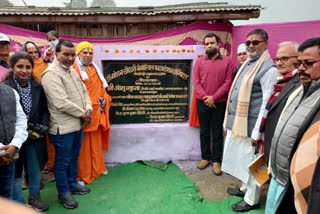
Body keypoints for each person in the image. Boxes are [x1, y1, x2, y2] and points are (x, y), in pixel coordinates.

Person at [222, 28, 278, 212]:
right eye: (248, 43)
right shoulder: (248, 63)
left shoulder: (268, 69)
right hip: (239, 124)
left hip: (253, 127)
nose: (251, 46)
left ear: (266, 44)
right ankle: (245, 189)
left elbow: (266, 102)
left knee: (255, 164)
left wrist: (257, 132)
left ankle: (252, 199)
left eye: (255, 42)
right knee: (242, 161)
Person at [266, 37, 320, 214]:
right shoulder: (299, 88)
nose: (302, 68)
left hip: (296, 185)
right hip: (277, 173)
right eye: (300, 63)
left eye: (309, 63)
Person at [41, 40, 93, 209]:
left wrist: (89, 109)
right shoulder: (51, 74)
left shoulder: (72, 71)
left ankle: (72, 184)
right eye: (66, 54)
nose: (70, 58)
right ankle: (63, 193)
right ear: (56, 54)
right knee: (62, 163)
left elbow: (84, 91)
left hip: (78, 124)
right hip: (62, 128)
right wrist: (83, 113)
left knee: (73, 158)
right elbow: (60, 103)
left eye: (72, 55)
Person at [4, 52, 49, 211]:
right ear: (12, 67)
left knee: (35, 167)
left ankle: (35, 197)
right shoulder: (6, 88)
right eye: (20, 66)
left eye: (28, 67)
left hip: (35, 136)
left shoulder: (38, 87)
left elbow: (44, 109)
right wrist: (24, 130)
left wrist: (43, 126)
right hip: (14, 137)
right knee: (17, 171)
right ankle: (19, 203)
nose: (24, 70)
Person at [192, 33, 235, 175]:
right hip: (202, 102)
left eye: (212, 43)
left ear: (218, 44)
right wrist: (206, 98)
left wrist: (214, 98)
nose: (209, 46)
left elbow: (228, 83)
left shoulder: (228, 62)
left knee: (217, 131)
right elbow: (196, 82)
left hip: (220, 103)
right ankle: (205, 157)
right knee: (204, 131)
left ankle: (216, 160)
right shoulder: (199, 62)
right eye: (207, 44)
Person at [73, 41, 111, 184]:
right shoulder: (74, 70)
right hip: (84, 114)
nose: (88, 55)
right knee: (82, 147)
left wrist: (105, 99)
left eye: (90, 53)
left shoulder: (95, 69)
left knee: (95, 143)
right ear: (79, 54)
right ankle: (83, 174)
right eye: (85, 53)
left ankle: (98, 168)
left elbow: (102, 90)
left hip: (97, 113)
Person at [256, 42, 301, 163]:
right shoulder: (279, 82)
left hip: (286, 150)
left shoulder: (301, 84)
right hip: (272, 143)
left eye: (284, 58)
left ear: (298, 59)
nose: (279, 63)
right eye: (277, 59)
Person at [0, 82, 28, 199]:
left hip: (8, 155)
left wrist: (14, 144)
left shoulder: (10, 92)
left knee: (6, 196)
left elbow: (21, 120)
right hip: (5, 153)